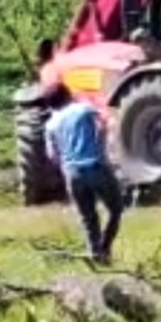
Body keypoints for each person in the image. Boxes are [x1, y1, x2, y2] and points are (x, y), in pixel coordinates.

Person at [43, 83, 125, 264]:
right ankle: (105, 246)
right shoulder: (84, 109)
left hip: (72, 173)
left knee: (88, 218)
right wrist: (102, 149)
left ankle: (95, 254)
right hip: (96, 166)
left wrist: (67, 166)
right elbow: (105, 124)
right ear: (68, 94)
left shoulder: (51, 124)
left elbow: (52, 156)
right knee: (116, 209)